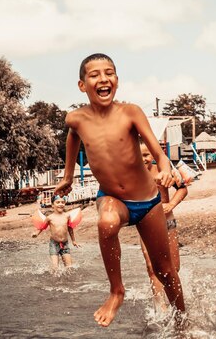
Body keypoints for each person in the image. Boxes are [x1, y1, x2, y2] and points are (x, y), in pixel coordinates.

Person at [54, 53, 185, 327]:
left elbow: (157, 151)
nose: (103, 79)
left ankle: (184, 322)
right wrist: (68, 176)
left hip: (148, 204)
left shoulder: (130, 112)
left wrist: (165, 167)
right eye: (94, 75)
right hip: (114, 199)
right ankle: (116, 291)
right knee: (107, 221)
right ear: (82, 85)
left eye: (109, 73)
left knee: (165, 272)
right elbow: (72, 138)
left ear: (117, 80)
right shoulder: (76, 119)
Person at [139, 143, 188, 310]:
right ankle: (160, 307)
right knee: (152, 267)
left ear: (153, 155)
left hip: (167, 221)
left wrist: (171, 204)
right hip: (145, 224)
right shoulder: (132, 175)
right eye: (139, 155)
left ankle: (175, 302)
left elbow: (182, 189)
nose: (143, 159)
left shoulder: (163, 171)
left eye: (146, 155)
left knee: (174, 267)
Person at [32, 195, 79, 271]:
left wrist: (73, 241)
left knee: (69, 267)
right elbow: (42, 227)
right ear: (52, 205)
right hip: (54, 244)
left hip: (65, 243)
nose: (60, 204)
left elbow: (70, 228)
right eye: (58, 202)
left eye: (62, 202)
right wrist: (36, 233)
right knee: (55, 268)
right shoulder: (50, 217)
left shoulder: (67, 216)